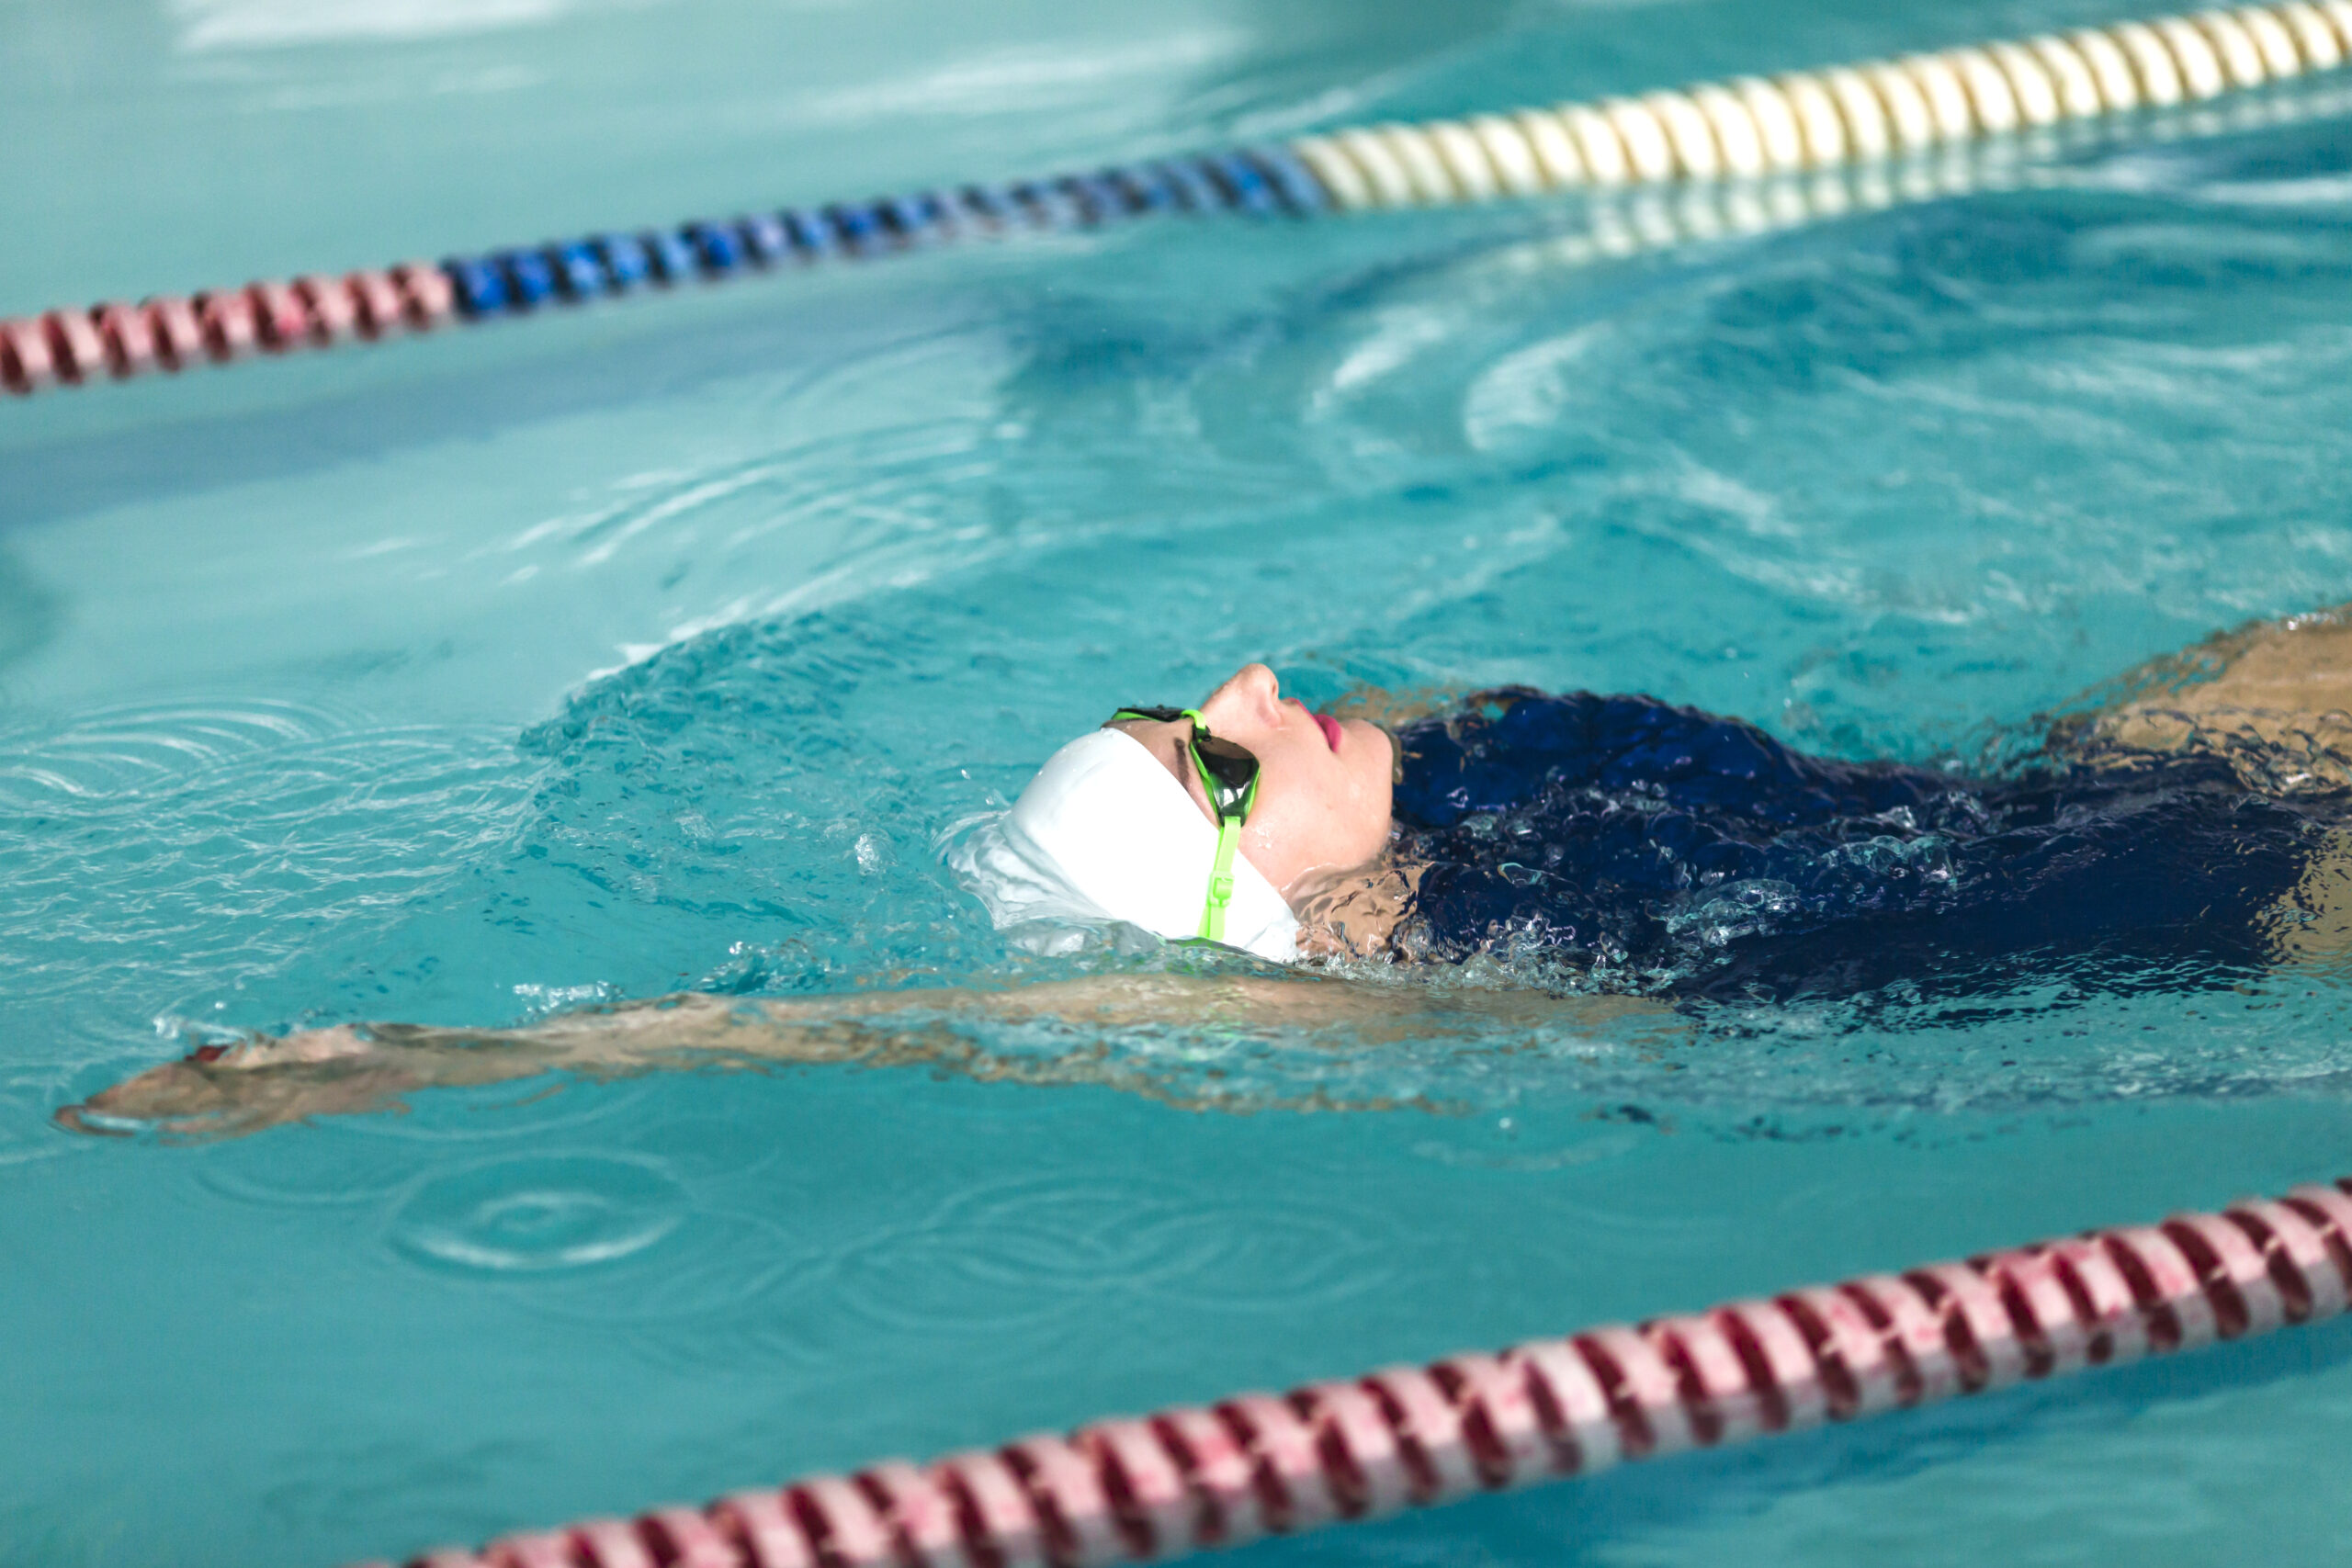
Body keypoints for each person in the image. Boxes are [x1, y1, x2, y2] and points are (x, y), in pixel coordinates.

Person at [62, 606, 2352, 1140]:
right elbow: (925, 1028)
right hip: (2203, 897)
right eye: (1213, 747)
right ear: (1249, 903)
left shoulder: (1467, 783)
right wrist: (441, 1059)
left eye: (1193, 698)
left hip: (2065, 771)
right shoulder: (1485, 979)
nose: (1255, 685)